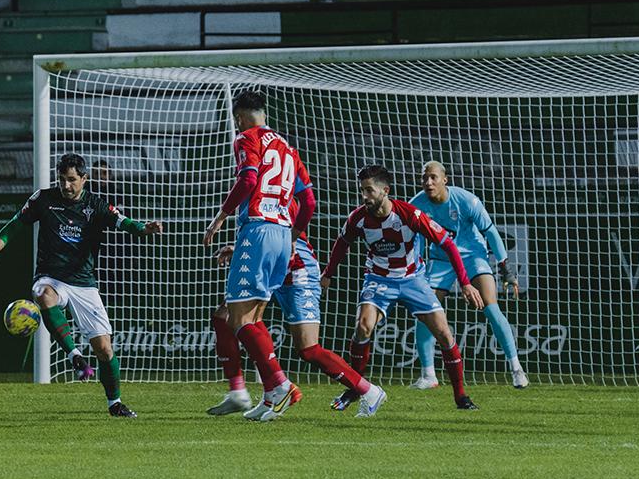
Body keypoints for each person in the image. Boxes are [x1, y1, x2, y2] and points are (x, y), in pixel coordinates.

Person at [0, 152, 164, 418]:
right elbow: (14, 225)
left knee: (104, 349)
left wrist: (144, 228)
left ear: (84, 179)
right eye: (62, 179)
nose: (66, 185)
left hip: (84, 283)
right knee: (42, 294)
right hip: (51, 277)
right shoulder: (43, 199)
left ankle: (115, 404)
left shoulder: (96, 205)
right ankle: (74, 355)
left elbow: (123, 223)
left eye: (72, 180)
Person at [207, 164, 388, 419]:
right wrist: (238, 248)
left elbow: (277, 239)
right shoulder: (265, 193)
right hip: (275, 270)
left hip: (298, 271)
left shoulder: (280, 196)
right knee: (229, 317)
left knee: (308, 349)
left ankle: (368, 391)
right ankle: (268, 393)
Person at [322, 164, 486, 410]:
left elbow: (448, 244)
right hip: (378, 278)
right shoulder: (358, 218)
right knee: (363, 326)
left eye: (369, 191)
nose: (364, 196)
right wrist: (327, 274)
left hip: (412, 279)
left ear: (385, 190)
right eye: (362, 191)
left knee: (444, 333)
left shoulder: (410, 214)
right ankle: (356, 389)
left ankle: (461, 396)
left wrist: (464, 283)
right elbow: (341, 243)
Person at [202, 90, 308, 422]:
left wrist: (220, 218)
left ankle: (279, 385)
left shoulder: (246, 138)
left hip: (258, 229)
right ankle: (252, 393)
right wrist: (291, 238)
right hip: (282, 234)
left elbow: (248, 179)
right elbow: (310, 202)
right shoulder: (289, 148)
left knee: (239, 320)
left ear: (239, 117)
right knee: (238, 317)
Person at [408, 160, 529, 390]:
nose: (428, 182)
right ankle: (428, 375)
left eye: (433, 177)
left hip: (473, 257)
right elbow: (409, 236)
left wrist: (507, 271)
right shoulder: (417, 204)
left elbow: (491, 233)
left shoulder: (466, 200)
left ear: (445, 179)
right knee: (425, 311)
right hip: (441, 260)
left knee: (491, 306)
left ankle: (516, 369)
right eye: (424, 178)